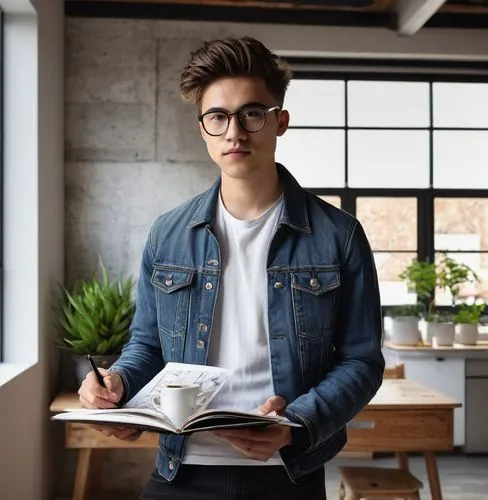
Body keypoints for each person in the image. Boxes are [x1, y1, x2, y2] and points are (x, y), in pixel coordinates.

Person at [77, 36, 385, 500]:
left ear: (280, 121)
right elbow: (147, 345)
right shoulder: (168, 233)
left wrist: (295, 423)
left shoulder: (338, 235)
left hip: (287, 473)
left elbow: (362, 360)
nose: (234, 133)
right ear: (202, 128)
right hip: (179, 469)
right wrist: (117, 383)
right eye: (218, 117)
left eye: (251, 114)